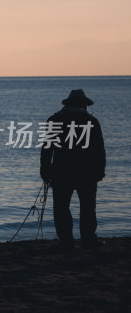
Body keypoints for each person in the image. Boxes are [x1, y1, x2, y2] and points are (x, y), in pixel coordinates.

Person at [40, 89, 106, 250]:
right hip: (87, 173)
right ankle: (88, 240)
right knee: (88, 208)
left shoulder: (55, 119)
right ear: (84, 104)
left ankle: (66, 241)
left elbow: (47, 148)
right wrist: (100, 170)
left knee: (61, 208)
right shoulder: (91, 121)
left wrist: (45, 170)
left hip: (61, 171)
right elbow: (99, 150)